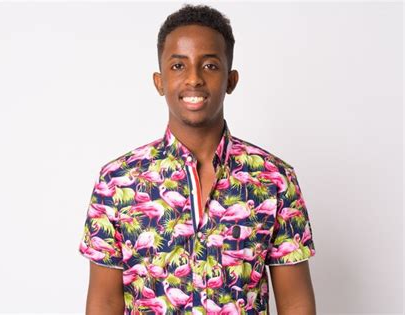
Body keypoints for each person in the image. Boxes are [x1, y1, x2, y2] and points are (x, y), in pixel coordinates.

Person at [78, 3, 316, 314]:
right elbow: (104, 302)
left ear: (231, 80)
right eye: (178, 66)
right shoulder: (117, 182)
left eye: (210, 66)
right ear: (159, 81)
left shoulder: (274, 179)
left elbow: (295, 302)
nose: (194, 79)